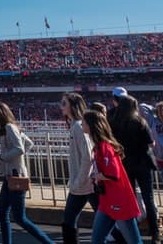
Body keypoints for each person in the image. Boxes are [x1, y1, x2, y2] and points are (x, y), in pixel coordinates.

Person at [0, 101, 52, 244]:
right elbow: (28, 144)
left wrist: (2, 158)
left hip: (16, 176)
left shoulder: (9, 128)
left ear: (0, 114)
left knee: (19, 217)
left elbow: (20, 149)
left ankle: (48, 242)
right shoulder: (9, 128)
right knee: (3, 212)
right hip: (11, 175)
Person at [83, 110, 143, 244]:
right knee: (97, 240)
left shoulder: (105, 147)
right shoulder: (99, 147)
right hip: (107, 200)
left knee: (134, 241)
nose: (82, 124)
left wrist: (96, 175)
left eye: (84, 122)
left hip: (118, 199)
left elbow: (113, 173)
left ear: (92, 125)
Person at [110, 94, 161, 243]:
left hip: (126, 164)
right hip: (142, 163)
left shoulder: (115, 123)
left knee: (130, 200)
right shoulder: (140, 122)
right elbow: (151, 143)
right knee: (148, 198)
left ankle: (132, 231)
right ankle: (155, 233)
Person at [59, 93, 96, 244]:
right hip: (84, 183)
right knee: (70, 219)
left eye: (64, 103)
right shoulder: (77, 125)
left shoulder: (78, 127)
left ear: (73, 106)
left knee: (70, 220)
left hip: (84, 184)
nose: (61, 107)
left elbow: (88, 156)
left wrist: (78, 181)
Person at [140, 100, 163, 195]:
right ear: (159, 112)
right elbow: (142, 106)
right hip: (162, 162)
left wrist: (162, 109)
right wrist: (155, 109)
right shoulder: (153, 121)